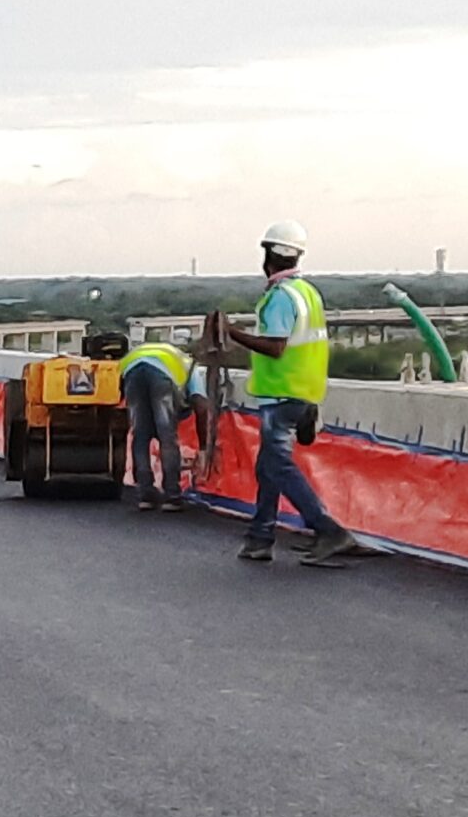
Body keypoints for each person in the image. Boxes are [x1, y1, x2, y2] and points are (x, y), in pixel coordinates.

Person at [217, 221, 364, 566]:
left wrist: (231, 332)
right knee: (268, 467)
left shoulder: (280, 298)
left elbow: (276, 347)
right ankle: (260, 538)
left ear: (267, 255)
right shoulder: (308, 292)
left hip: (281, 394)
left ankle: (327, 530)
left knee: (278, 466)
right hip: (303, 393)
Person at [119, 338, 204, 510]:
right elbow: (202, 407)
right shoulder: (190, 368)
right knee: (167, 436)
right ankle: (172, 495)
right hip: (160, 377)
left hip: (131, 370)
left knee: (140, 435)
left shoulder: (171, 357)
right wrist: (203, 447)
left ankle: (145, 495)